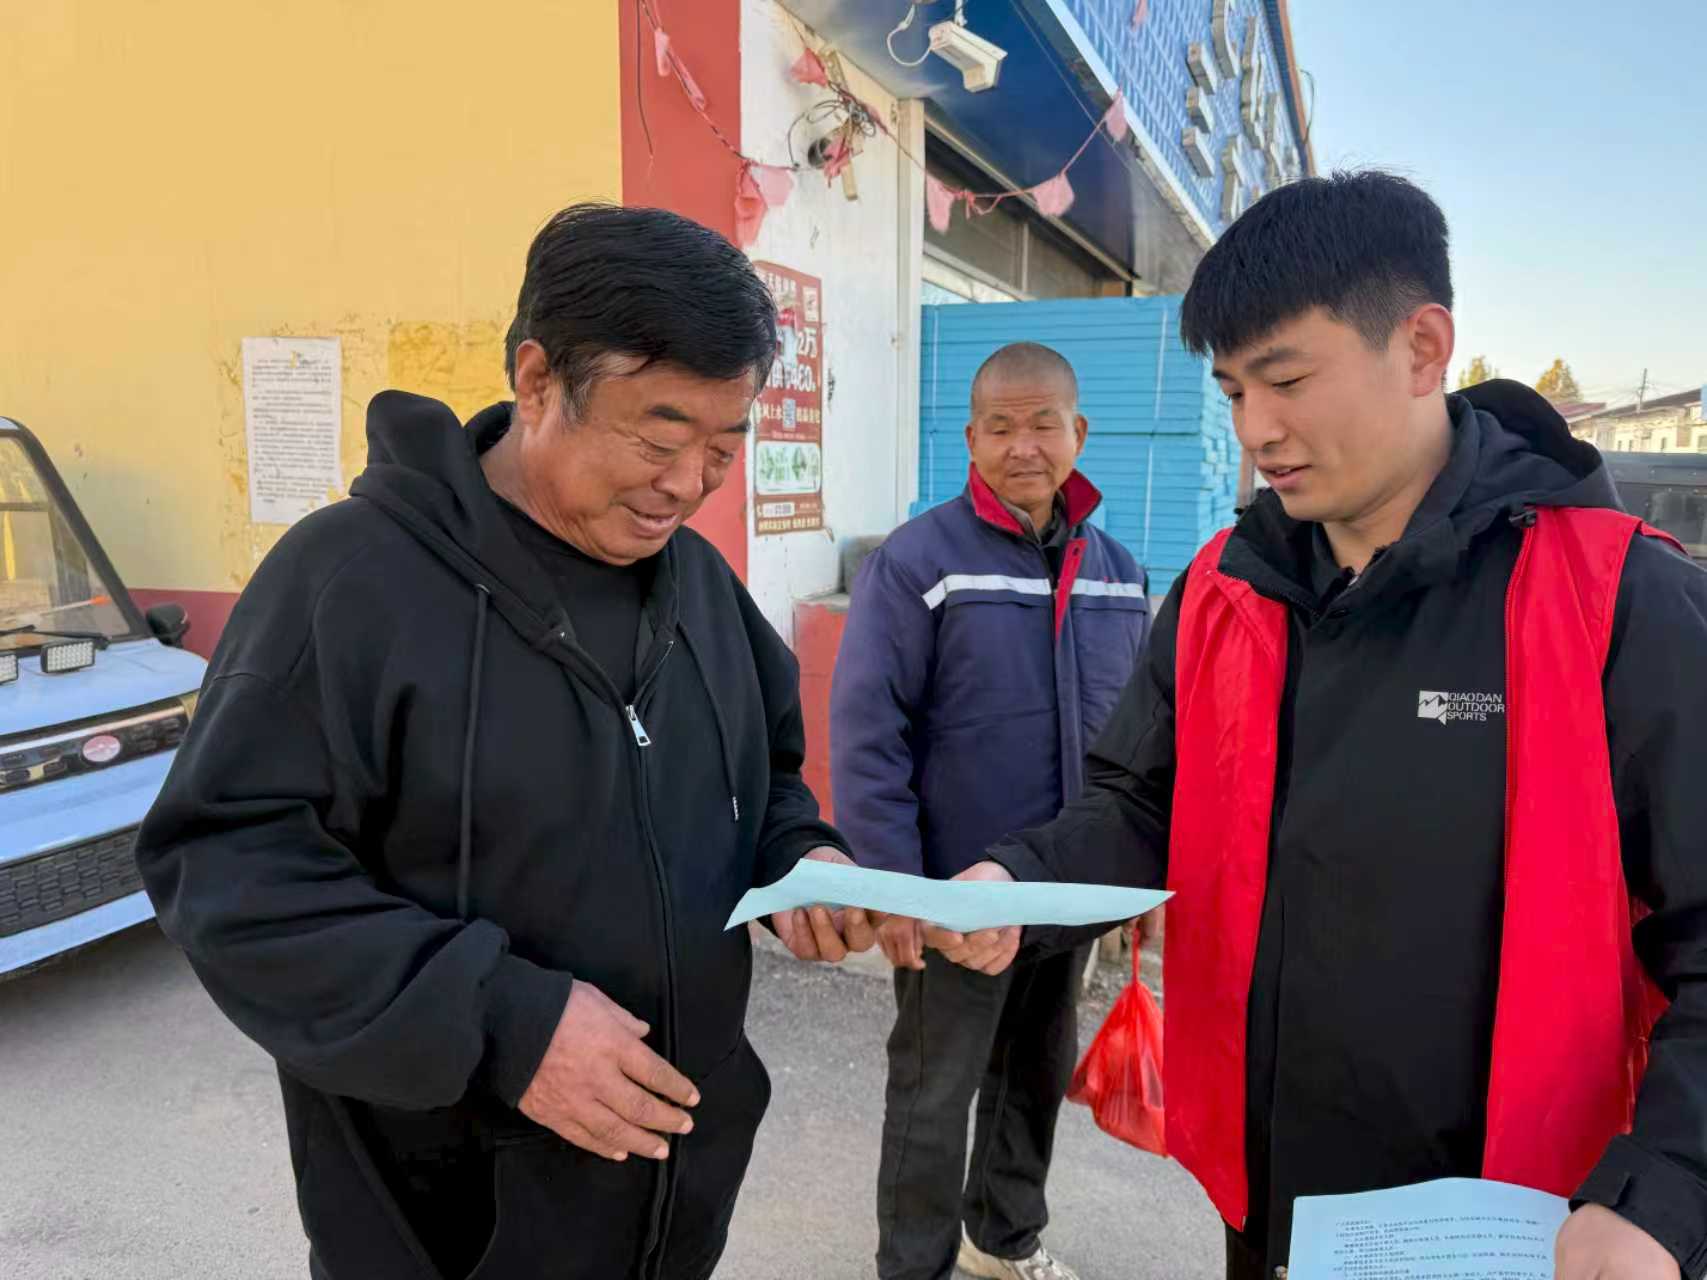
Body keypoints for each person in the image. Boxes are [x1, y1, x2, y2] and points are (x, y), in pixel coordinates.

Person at [924, 173, 1707, 1280]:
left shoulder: (1614, 597)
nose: (1257, 431)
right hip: (1270, 1198)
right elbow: (1141, 802)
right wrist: (1018, 879)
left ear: (1423, 348)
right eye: (1234, 390)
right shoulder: (1224, 586)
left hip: (1516, 1219)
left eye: (1286, 380)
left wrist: (1664, 1190)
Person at [134, 203, 877, 1280]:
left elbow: (762, 775)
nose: (687, 484)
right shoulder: (348, 583)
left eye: (724, 447)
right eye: (659, 439)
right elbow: (225, 869)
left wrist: (800, 857)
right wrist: (501, 1021)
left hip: (671, 1195)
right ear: (537, 380)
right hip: (443, 1225)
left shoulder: (700, 586)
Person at [831, 343, 1151, 1280]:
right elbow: (867, 731)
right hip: (954, 896)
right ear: (969, 439)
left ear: (1077, 432)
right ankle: (913, 1268)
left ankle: (1002, 1240)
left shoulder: (1118, 573)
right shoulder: (918, 561)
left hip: (1060, 886)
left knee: (1033, 1077)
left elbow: (1137, 744)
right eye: (1000, 427)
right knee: (933, 1092)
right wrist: (899, 890)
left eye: (1042, 424)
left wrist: (1129, 875)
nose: (1023, 446)